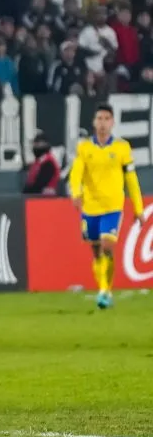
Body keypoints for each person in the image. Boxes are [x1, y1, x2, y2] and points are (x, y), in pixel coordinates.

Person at [68, 104, 144, 309]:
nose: (102, 123)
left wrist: (138, 208)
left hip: (112, 206)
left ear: (112, 123)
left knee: (107, 246)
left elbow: (132, 179)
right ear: (94, 122)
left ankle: (104, 291)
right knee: (95, 250)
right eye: (99, 119)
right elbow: (76, 173)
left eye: (106, 119)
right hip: (91, 207)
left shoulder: (122, 148)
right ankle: (103, 287)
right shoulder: (84, 147)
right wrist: (76, 193)